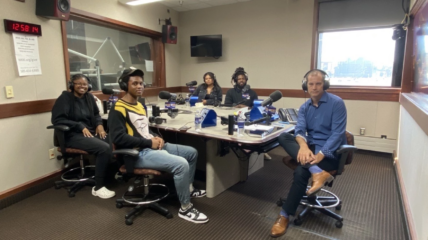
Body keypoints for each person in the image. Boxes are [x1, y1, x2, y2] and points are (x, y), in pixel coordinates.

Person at [108, 68, 209, 224]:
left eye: (141, 83)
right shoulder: (117, 108)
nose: (139, 86)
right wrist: (149, 142)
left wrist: (155, 137)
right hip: (136, 154)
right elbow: (118, 138)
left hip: (150, 146)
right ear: (124, 85)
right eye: (135, 83)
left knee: (191, 153)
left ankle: (188, 189)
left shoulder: (140, 105)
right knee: (181, 164)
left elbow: (143, 129)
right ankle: (186, 208)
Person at [270, 70, 347, 238]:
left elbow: (337, 134)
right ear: (306, 86)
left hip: (330, 153)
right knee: (283, 136)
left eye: (318, 83)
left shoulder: (337, 103)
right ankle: (317, 172)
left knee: (300, 172)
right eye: (310, 84)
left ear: (324, 85)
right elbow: (299, 130)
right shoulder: (305, 107)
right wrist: (303, 146)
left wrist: (320, 155)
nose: (314, 87)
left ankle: (284, 216)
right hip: (309, 151)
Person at [51, 74, 115, 199]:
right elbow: (57, 120)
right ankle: (98, 187)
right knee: (104, 148)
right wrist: (79, 126)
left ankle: (109, 177)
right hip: (71, 135)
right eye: (78, 83)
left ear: (89, 86)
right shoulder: (64, 98)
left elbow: (96, 115)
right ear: (72, 85)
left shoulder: (89, 97)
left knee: (112, 140)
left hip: (89, 133)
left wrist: (100, 125)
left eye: (85, 84)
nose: (82, 86)